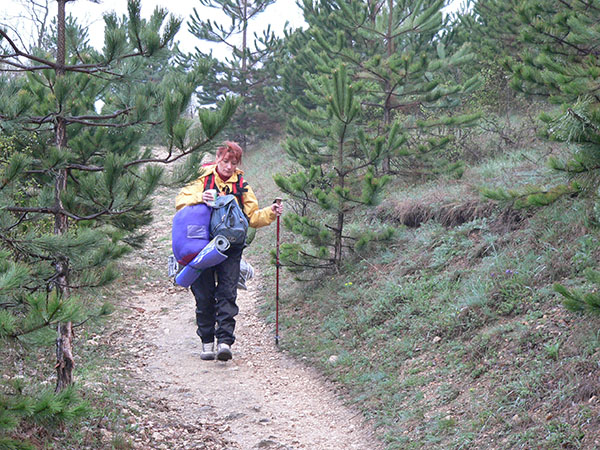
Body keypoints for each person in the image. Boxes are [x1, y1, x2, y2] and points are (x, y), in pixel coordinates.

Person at [175, 141, 283, 361]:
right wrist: (200, 197)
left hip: (230, 247)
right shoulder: (202, 179)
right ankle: (207, 341)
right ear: (218, 159)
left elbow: (252, 218)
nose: (229, 167)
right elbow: (180, 202)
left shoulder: (242, 186)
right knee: (204, 294)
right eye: (226, 161)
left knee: (227, 293)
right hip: (202, 246)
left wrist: (271, 213)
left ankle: (224, 341)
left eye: (233, 163)